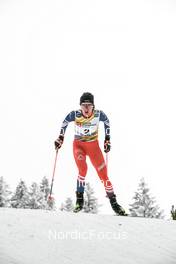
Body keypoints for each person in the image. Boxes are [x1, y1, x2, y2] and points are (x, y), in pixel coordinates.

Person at [54, 92, 126, 215]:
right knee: (83, 169)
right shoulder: (75, 114)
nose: (86, 108)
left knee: (104, 176)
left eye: (89, 105)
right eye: (83, 105)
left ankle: (114, 203)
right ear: (80, 106)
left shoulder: (99, 115)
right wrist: (61, 137)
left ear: (93, 106)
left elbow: (107, 121)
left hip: (93, 147)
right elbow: (65, 121)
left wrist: (107, 139)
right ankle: (79, 200)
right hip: (79, 146)